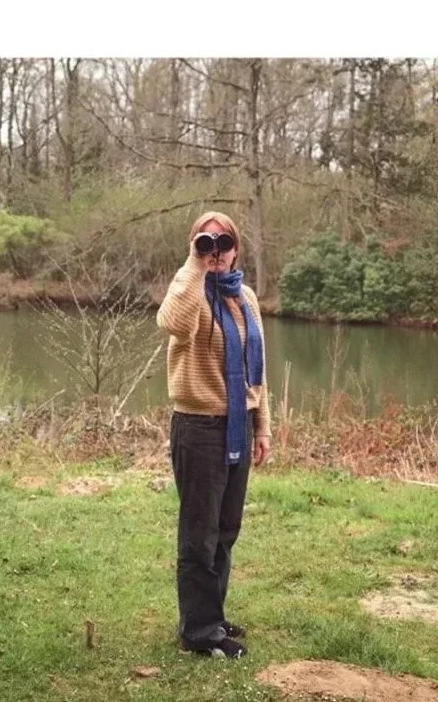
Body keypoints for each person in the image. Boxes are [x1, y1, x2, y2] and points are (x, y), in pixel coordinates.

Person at [156, 210, 272, 660]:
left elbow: (256, 370)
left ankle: (212, 615)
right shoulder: (190, 292)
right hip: (198, 428)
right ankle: (199, 631)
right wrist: (195, 265)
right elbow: (171, 322)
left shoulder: (245, 297)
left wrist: (262, 426)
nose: (217, 251)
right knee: (199, 533)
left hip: (238, 425)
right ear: (195, 246)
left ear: (236, 249)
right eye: (208, 242)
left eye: (224, 243)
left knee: (225, 529)